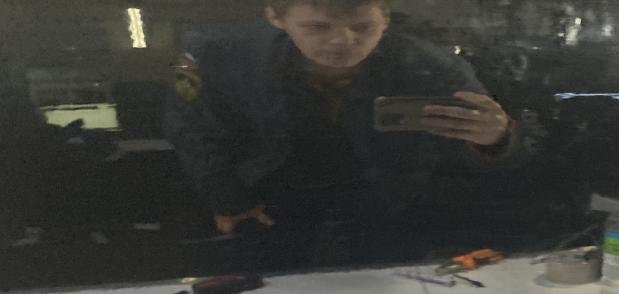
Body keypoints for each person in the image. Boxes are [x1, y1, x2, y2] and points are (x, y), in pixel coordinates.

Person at [164, 0, 525, 263]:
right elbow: (191, 127)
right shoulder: (218, 56)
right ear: (275, 17)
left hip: (389, 198)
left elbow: (503, 158)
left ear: (385, 18)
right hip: (270, 194)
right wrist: (226, 195)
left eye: (363, 27)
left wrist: (498, 140)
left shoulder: (433, 67)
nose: (343, 40)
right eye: (318, 28)